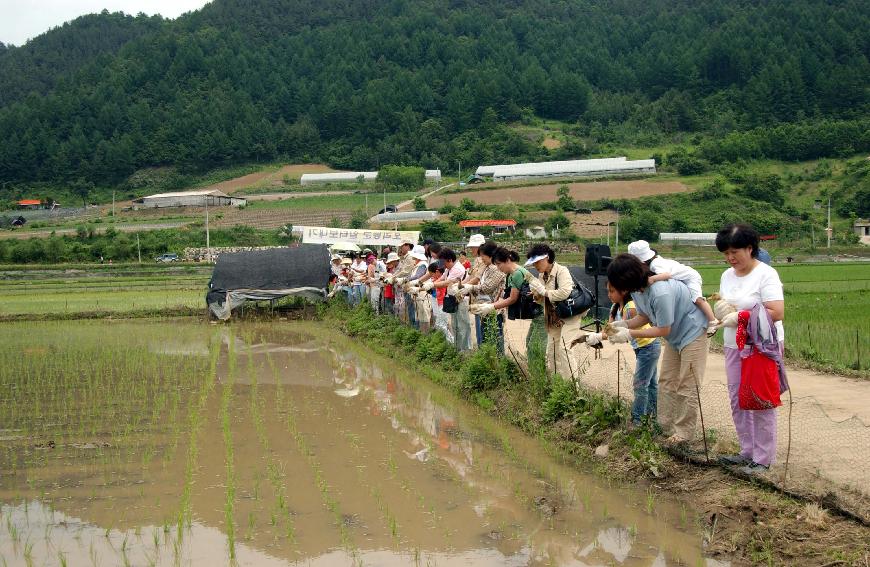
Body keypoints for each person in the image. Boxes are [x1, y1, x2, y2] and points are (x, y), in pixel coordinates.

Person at [594, 253, 709, 445]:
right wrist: (623, 325)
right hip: (674, 337)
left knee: (687, 384)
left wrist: (630, 333)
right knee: (666, 380)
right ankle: (664, 428)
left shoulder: (659, 291)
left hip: (693, 331)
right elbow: (644, 317)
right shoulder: (639, 291)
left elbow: (663, 329)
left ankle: (683, 434)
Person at [714, 223, 785, 475]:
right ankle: (746, 451)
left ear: (750, 248)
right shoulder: (726, 275)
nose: (730, 258)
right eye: (725, 253)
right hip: (734, 344)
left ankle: (763, 459)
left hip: (760, 346)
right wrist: (721, 314)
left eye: (735, 251)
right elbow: (727, 305)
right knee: (738, 399)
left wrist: (741, 316)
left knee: (760, 399)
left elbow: (776, 312)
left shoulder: (766, 274)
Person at [627, 240, 718, 335]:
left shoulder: (655, 264)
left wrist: (652, 279)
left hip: (690, 277)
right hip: (682, 279)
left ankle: (713, 321)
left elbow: (667, 275)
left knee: (697, 299)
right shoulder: (655, 261)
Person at [524, 243, 585, 380]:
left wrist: (543, 291)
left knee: (564, 348)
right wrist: (536, 296)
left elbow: (564, 292)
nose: (535, 266)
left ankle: (573, 387)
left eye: (537, 262)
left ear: (546, 258)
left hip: (570, 315)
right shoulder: (541, 276)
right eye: (533, 263)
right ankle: (556, 384)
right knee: (551, 351)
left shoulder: (561, 271)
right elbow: (544, 299)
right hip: (554, 317)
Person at [607, 281, 661, 427]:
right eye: (608, 291)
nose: (609, 295)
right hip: (642, 348)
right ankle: (653, 417)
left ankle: (638, 421)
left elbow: (622, 332)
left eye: (612, 291)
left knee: (640, 384)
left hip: (649, 347)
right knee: (651, 384)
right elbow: (609, 330)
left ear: (623, 291)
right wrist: (592, 337)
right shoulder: (615, 308)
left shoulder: (630, 308)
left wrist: (613, 333)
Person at [468, 247, 528, 352]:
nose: (498, 268)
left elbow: (512, 299)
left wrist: (492, 306)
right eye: (496, 264)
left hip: (537, 312)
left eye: (499, 264)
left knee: (497, 339)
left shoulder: (517, 273)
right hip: (509, 308)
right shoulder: (510, 274)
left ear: (508, 260)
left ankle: (500, 363)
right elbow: (504, 294)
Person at [425, 248, 469, 350]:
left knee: (462, 326)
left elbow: (447, 282)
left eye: (443, 262)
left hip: (461, 300)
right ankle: (456, 347)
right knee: (455, 325)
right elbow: (442, 278)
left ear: (449, 260)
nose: (442, 265)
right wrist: (432, 284)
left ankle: (464, 349)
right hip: (453, 299)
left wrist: (432, 285)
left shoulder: (457, 269)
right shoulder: (448, 269)